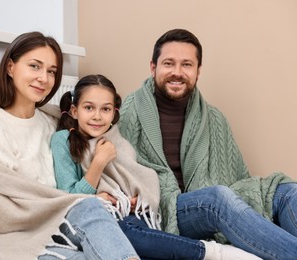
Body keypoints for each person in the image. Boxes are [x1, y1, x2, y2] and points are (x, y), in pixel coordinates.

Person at [0, 32, 140, 260]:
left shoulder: (52, 123)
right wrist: (84, 201)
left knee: (103, 221)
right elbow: (6, 210)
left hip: (62, 223)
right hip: (22, 235)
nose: (44, 78)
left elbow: (75, 172)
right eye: (35, 66)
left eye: (51, 71)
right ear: (10, 67)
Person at [118, 28, 297, 259]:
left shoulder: (213, 117)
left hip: (208, 200)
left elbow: (239, 178)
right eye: (169, 63)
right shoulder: (128, 114)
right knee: (217, 198)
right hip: (169, 208)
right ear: (153, 67)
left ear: (198, 71)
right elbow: (116, 172)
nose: (177, 72)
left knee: (287, 191)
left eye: (186, 65)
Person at [51, 74, 260, 260]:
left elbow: (137, 177)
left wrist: (134, 199)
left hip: (131, 214)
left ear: (113, 113)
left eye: (105, 109)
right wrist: (98, 163)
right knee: (127, 234)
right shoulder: (63, 140)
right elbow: (69, 197)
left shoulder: (116, 139)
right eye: (89, 108)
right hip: (97, 218)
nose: (97, 116)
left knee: (136, 237)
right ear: (74, 110)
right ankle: (210, 252)